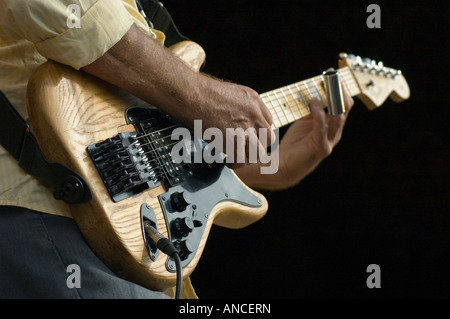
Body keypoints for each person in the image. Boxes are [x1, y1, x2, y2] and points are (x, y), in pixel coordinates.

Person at [0, 0, 353, 299]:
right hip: (40, 207)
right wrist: (200, 95)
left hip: (109, 238)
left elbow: (160, 143)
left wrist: (279, 166)